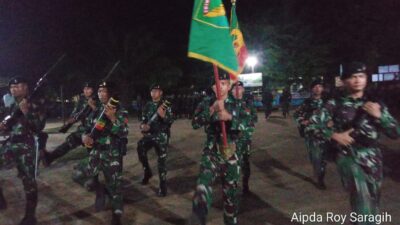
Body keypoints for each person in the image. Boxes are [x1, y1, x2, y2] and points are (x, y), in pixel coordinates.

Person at [308, 62, 400, 223]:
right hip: (349, 157)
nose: (357, 80)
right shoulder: (334, 104)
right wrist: (334, 135)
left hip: (373, 158)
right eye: (352, 77)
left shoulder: (375, 104)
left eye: (361, 76)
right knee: (362, 201)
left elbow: (395, 133)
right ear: (344, 81)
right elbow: (313, 125)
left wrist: (380, 116)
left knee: (373, 203)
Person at [191, 74, 246, 225]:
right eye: (217, 83)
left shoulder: (238, 104)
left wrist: (230, 118)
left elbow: (247, 126)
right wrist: (211, 109)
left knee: (230, 197)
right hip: (212, 151)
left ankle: (230, 220)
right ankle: (200, 212)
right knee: (203, 183)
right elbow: (195, 123)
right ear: (213, 87)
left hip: (231, 154)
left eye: (223, 83)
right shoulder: (206, 103)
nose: (220, 86)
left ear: (229, 86)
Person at [82, 81, 128, 225]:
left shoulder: (119, 110)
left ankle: (116, 216)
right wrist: (85, 136)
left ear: (110, 93)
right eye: (99, 91)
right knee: (80, 174)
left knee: (115, 185)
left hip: (111, 152)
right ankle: (100, 190)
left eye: (104, 91)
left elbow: (124, 132)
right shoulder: (95, 110)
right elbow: (87, 128)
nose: (101, 93)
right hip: (95, 151)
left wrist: (113, 118)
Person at [0, 77, 44, 225]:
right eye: (11, 87)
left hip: (26, 147)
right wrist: (4, 125)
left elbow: (38, 127)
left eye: (17, 86)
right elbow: (10, 123)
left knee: (29, 182)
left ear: (25, 87)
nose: (13, 89)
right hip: (11, 144)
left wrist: (27, 112)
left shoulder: (35, 104)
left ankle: (30, 216)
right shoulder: (12, 106)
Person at [137, 84, 174, 197]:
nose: (154, 93)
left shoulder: (165, 105)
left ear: (161, 93)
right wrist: (143, 126)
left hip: (162, 135)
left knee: (161, 160)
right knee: (140, 147)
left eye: (156, 91)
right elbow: (143, 120)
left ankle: (163, 185)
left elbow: (171, 120)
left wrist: (163, 116)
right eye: (152, 91)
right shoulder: (147, 105)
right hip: (150, 134)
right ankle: (147, 172)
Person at [294, 79, 328, 189]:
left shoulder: (327, 102)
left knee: (324, 158)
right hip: (312, 134)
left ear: (322, 88)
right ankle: (320, 178)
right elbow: (296, 114)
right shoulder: (307, 103)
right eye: (315, 86)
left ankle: (320, 175)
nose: (318, 88)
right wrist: (302, 121)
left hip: (325, 133)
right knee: (316, 157)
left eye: (320, 86)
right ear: (312, 89)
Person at [231, 81, 258, 194]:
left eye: (240, 87)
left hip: (245, 140)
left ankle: (245, 184)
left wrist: (246, 130)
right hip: (231, 140)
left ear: (243, 90)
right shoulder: (227, 104)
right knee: (232, 164)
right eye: (235, 88)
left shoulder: (248, 104)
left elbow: (254, 119)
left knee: (245, 164)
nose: (237, 90)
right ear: (231, 91)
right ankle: (233, 186)